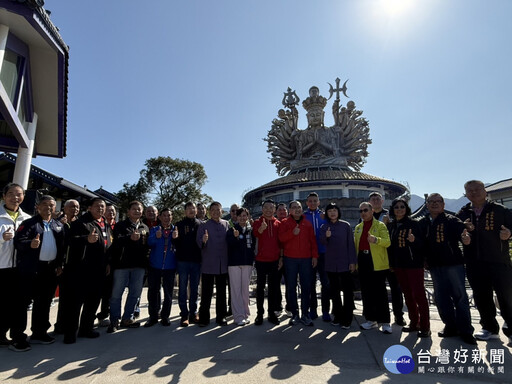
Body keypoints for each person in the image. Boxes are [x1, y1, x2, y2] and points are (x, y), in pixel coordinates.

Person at [457, 180, 512, 341]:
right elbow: (457, 232)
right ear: (466, 194)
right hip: (475, 262)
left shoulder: (499, 209)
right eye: (469, 190)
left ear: (485, 191)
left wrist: (509, 233)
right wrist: (463, 236)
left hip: (499, 260)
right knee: (482, 296)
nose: (473, 193)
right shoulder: (463, 213)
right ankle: (490, 328)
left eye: (477, 189)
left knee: (506, 296)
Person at [418, 193, 476, 345]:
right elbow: (422, 243)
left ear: (443, 204)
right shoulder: (424, 222)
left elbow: (464, 234)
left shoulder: (451, 220)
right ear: (427, 204)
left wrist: (466, 238)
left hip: (453, 264)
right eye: (431, 201)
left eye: (438, 201)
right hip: (434, 266)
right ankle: (450, 326)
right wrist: (424, 258)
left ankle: (466, 330)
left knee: (460, 297)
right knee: (441, 298)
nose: (435, 204)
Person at [12, 195, 66, 350]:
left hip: (49, 270)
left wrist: (59, 264)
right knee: (23, 303)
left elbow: (62, 248)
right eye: (44, 204)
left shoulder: (58, 225)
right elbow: (18, 242)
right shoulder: (29, 223)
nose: (48, 208)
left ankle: (39, 332)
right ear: (37, 207)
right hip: (31, 269)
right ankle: (18, 337)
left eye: (51, 205)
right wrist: (30, 244)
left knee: (44, 303)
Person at [60, 198, 112, 344]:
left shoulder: (105, 224)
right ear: (89, 208)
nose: (100, 209)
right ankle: (70, 333)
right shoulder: (81, 223)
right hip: (81, 270)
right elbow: (69, 241)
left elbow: (108, 245)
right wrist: (86, 239)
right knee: (76, 303)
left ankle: (86, 329)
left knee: (93, 301)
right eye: (97, 206)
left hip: (99, 269)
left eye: (103, 206)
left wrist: (107, 263)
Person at [387, 198, 430, 338]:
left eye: (402, 207)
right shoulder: (392, 226)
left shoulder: (414, 224)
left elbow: (423, 244)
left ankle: (425, 326)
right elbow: (391, 247)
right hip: (399, 265)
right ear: (393, 210)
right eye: (396, 207)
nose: (399, 209)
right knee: (408, 295)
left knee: (419, 295)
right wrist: (392, 264)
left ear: (406, 209)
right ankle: (414, 323)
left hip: (414, 264)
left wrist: (414, 241)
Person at [107, 201, 149, 333]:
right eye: (134, 209)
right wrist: (129, 238)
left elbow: (147, 246)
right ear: (128, 211)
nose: (137, 211)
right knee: (116, 294)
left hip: (139, 266)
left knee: (135, 294)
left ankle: (127, 318)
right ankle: (114, 320)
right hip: (122, 265)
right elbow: (116, 242)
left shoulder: (145, 227)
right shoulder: (121, 225)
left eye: (139, 209)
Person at [0, 183, 31, 350]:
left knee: (20, 304)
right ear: (4, 196)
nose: (15, 197)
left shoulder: (27, 219)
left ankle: (18, 336)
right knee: (2, 304)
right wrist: (1, 238)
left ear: (23, 197)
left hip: (20, 269)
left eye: (19, 194)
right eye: (11, 194)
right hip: (1, 268)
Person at [354, 202, 392, 334]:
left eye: (365, 210)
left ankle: (385, 322)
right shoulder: (358, 227)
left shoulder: (380, 225)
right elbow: (355, 246)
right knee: (366, 292)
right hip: (363, 261)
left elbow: (387, 242)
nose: (363, 213)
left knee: (380, 293)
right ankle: (371, 320)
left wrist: (375, 240)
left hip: (377, 262)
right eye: (361, 211)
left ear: (371, 211)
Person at [278, 201, 318, 326]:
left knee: (306, 287)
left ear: (302, 209)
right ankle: (295, 314)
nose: (297, 209)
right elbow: (281, 239)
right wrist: (292, 233)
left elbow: (312, 241)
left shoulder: (307, 223)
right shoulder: (284, 223)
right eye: (294, 207)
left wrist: (315, 256)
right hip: (290, 259)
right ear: (289, 210)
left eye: (299, 207)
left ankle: (305, 314)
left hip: (306, 259)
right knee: (291, 287)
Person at [368, 192, 405, 326]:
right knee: (378, 289)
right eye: (373, 199)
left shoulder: (390, 215)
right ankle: (380, 315)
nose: (376, 201)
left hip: (390, 258)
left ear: (382, 201)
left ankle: (399, 315)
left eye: (378, 199)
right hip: (375, 258)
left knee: (395, 288)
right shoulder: (367, 216)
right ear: (370, 202)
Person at [319, 203, 356, 329]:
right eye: (330, 211)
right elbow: (322, 242)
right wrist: (326, 236)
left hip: (345, 264)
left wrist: (352, 262)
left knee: (347, 292)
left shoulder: (345, 225)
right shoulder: (324, 226)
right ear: (327, 214)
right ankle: (338, 316)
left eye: (334, 210)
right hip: (330, 264)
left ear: (338, 212)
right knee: (334, 293)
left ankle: (347, 318)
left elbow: (351, 244)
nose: (332, 213)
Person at [196, 201, 230, 327]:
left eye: (218, 210)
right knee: (206, 293)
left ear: (221, 212)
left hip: (223, 264)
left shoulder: (226, 224)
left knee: (222, 293)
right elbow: (199, 243)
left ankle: (221, 317)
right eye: (213, 210)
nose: (216, 212)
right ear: (209, 212)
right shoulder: (204, 225)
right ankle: (204, 318)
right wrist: (203, 241)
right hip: (208, 264)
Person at [145, 208, 176, 327]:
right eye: (164, 215)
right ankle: (153, 316)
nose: (167, 218)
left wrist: (176, 238)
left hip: (170, 266)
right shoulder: (154, 229)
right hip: (155, 266)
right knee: (153, 291)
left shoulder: (175, 230)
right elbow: (149, 243)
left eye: (169, 215)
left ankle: (165, 316)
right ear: (160, 217)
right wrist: (156, 237)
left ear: (172, 217)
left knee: (168, 293)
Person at [253, 200, 281, 325]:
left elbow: (281, 243)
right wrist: (261, 229)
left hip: (275, 260)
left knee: (273, 288)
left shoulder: (278, 224)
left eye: (271, 207)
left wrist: (281, 258)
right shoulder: (257, 222)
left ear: (274, 210)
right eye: (266, 207)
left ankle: (271, 313)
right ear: (262, 209)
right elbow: (255, 234)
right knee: (260, 288)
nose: (268, 210)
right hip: (260, 260)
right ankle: (259, 314)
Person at [173, 202, 202, 327]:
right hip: (183, 261)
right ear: (185, 211)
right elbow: (175, 244)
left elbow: (204, 244)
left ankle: (193, 313)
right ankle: (184, 314)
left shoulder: (201, 224)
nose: (191, 210)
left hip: (197, 261)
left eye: (193, 208)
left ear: (197, 210)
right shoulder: (179, 225)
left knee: (195, 289)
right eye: (189, 208)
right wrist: (174, 238)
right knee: (183, 288)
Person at [304, 192, 330, 322]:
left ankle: (326, 311)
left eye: (315, 201)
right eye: (310, 201)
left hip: (324, 253)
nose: (313, 203)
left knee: (325, 283)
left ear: (319, 202)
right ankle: (312, 309)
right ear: (307, 203)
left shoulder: (324, 216)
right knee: (310, 283)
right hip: (309, 254)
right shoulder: (303, 216)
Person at [227, 207, 255, 326]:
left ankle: (245, 314)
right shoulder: (232, 230)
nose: (243, 218)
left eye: (245, 216)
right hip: (234, 264)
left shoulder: (250, 230)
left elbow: (253, 246)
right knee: (236, 291)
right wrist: (235, 237)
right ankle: (238, 316)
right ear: (236, 217)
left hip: (247, 263)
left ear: (248, 217)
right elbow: (229, 245)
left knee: (244, 290)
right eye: (240, 216)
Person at [96, 204, 116, 326]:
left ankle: (104, 314)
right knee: (96, 292)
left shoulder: (117, 226)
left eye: (113, 211)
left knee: (109, 292)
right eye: (108, 211)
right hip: (99, 263)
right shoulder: (100, 225)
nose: (111, 213)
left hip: (113, 263)